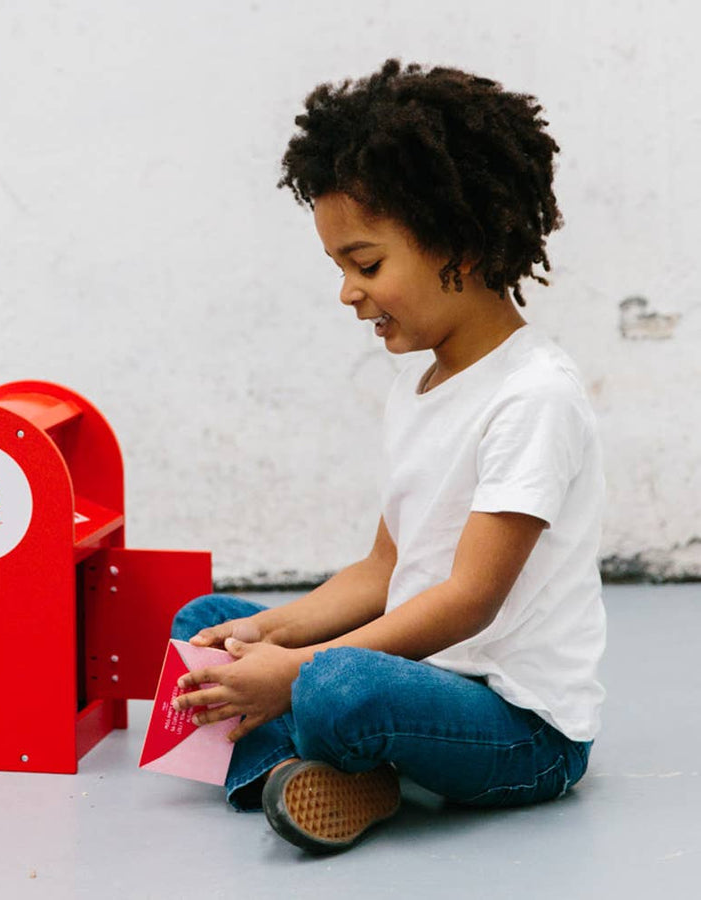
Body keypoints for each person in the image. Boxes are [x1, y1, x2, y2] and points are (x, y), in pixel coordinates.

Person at [170, 58, 606, 854]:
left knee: (336, 684)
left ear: (462, 246)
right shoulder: (421, 383)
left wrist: (296, 669)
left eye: (365, 265)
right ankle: (339, 773)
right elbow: (383, 569)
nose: (347, 293)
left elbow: (468, 601)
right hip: (415, 677)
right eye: (340, 268)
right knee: (207, 626)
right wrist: (269, 631)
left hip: (515, 723)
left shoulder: (533, 395)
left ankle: (311, 750)